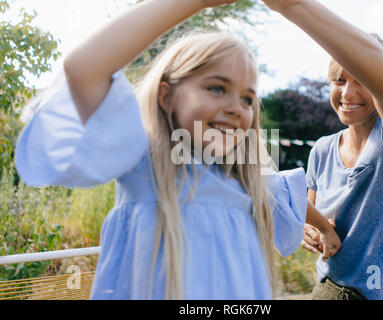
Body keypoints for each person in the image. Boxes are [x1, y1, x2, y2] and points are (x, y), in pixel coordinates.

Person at [15, 0, 341, 299]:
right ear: (166, 95)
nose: (236, 108)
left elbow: (284, 191)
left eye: (247, 99)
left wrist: (325, 229)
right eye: (217, 87)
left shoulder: (244, 177)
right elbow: (84, 68)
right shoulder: (146, 161)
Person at [262, 0, 383, 299]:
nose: (348, 93)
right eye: (339, 80)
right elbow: (313, 216)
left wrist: (290, 6)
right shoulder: (323, 150)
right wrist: (313, 232)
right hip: (330, 289)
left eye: (363, 81)